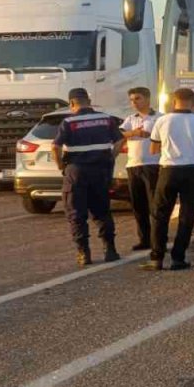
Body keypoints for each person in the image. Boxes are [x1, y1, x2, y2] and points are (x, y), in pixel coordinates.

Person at [144, 88, 194, 271]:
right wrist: (192, 148)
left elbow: (153, 149)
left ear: (173, 102)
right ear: (193, 103)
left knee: (160, 215)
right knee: (187, 215)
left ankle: (156, 258)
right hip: (192, 172)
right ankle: (178, 258)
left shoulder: (162, 121)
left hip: (168, 171)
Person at [52, 88, 124, 267]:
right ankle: (110, 250)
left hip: (76, 172)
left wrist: (61, 165)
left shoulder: (68, 122)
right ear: (89, 100)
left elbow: (55, 146)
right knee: (102, 211)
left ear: (72, 103)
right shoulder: (106, 119)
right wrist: (110, 157)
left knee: (76, 213)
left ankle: (84, 253)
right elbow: (120, 140)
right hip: (101, 171)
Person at [119, 87, 161, 251]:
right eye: (131, 100)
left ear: (148, 99)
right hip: (134, 165)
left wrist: (148, 135)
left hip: (153, 164)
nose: (134, 103)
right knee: (138, 205)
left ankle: (158, 238)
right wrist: (133, 133)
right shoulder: (130, 119)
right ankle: (144, 239)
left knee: (154, 205)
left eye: (137, 99)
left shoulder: (159, 118)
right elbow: (119, 135)